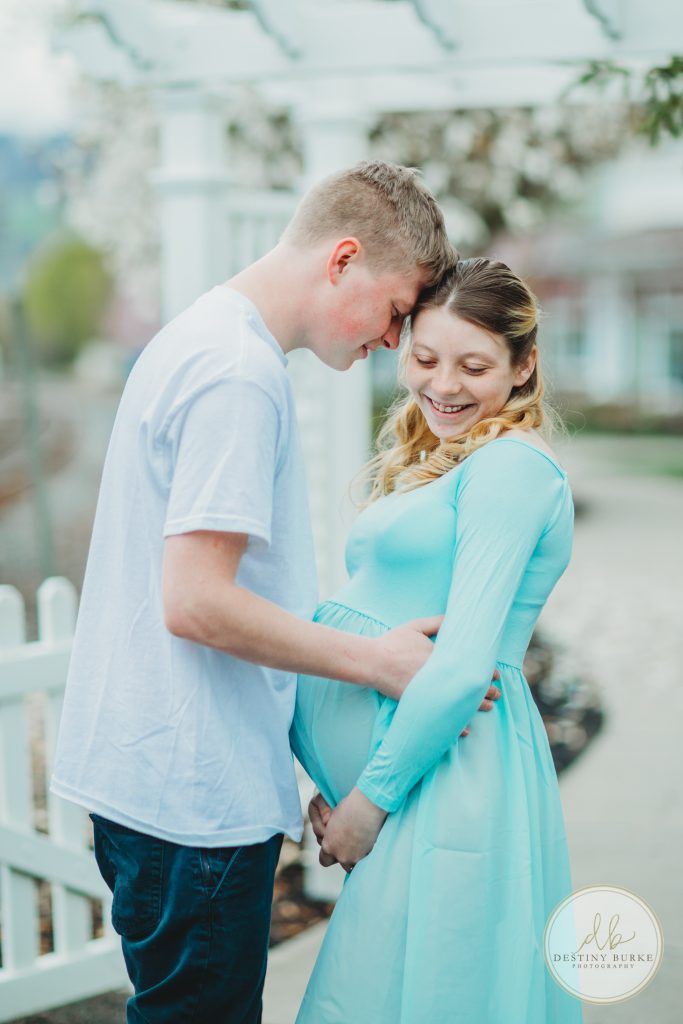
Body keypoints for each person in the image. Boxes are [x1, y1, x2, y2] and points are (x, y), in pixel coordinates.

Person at [50, 161, 500, 1024]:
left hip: (162, 783)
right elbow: (198, 603)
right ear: (342, 260)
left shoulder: (201, 338)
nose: (395, 341)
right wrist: (378, 663)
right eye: (399, 309)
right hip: (192, 807)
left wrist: (292, 775)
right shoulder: (238, 374)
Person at [291, 258, 584, 1022]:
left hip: (441, 772)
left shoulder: (512, 467)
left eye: (474, 366)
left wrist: (366, 803)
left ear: (523, 367)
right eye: (424, 358)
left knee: (423, 995)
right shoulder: (442, 463)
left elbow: (462, 667)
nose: (443, 385)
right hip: (405, 778)